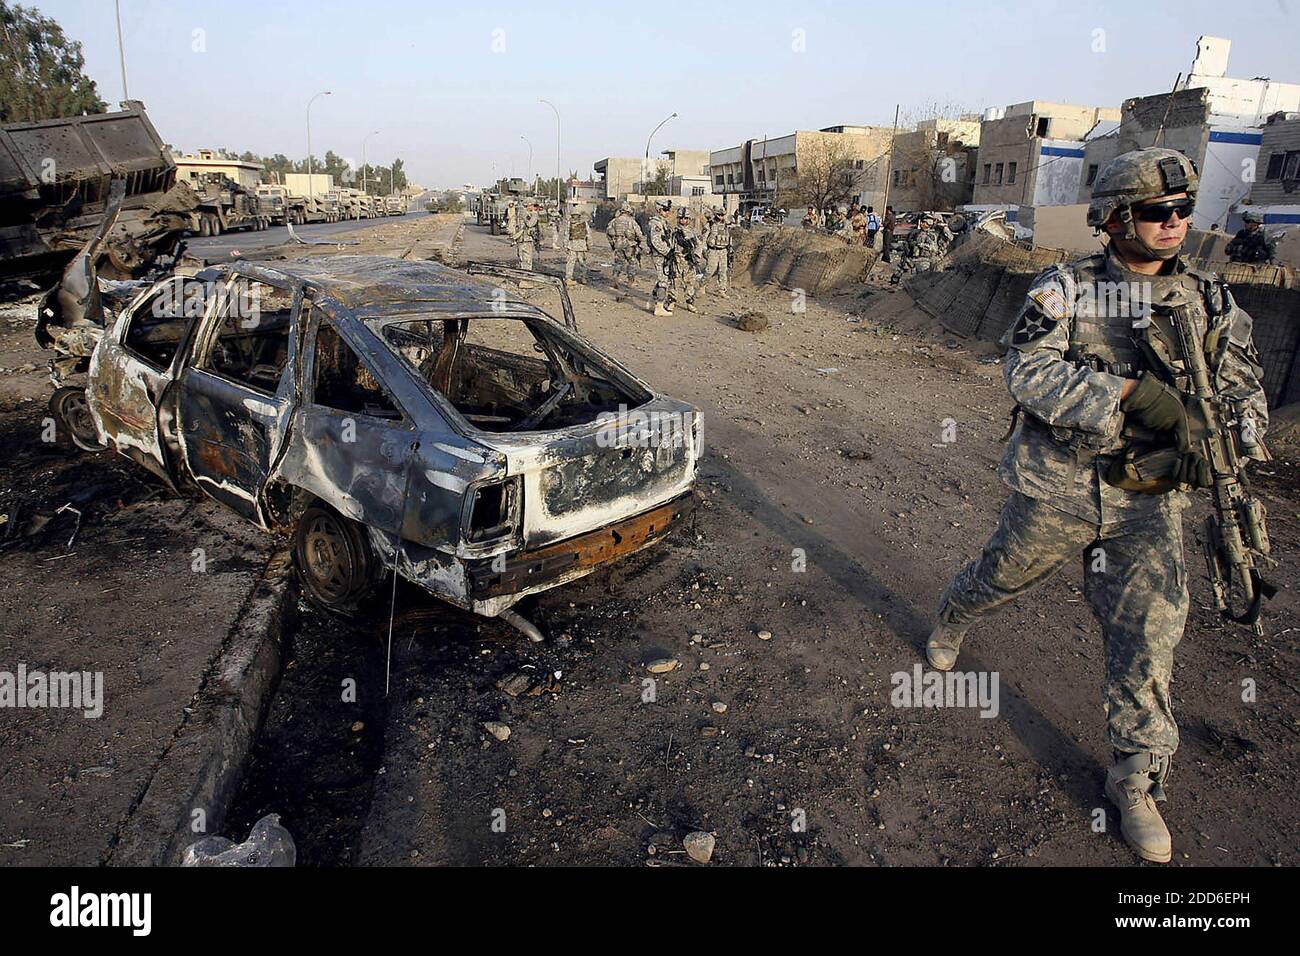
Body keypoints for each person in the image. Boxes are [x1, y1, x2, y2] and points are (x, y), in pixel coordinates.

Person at [925, 147, 1269, 865]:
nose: (1174, 223)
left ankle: (1136, 779)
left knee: (1149, 635)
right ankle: (955, 616)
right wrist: (1125, 396)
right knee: (1000, 576)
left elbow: (1244, 389)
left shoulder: (1208, 298)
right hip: (1058, 486)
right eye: (1156, 212)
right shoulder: (1066, 288)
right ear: (1115, 219)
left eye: (1182, 210)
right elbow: (1028, 371)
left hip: (1147, 502)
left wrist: (1226, 436)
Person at [605, 202, 646, 289]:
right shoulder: (631, 221)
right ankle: (630, 282)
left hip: (618, 244)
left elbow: (608, 233)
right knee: (632, 263)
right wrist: (640, 243)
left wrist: (612, 244)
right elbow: (639, 234)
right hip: (630, 245)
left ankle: (615, 279)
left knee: (618, 263)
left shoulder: (614, 221)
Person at [671, 208, 702, 313]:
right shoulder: (674, 231)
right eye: (681, 218)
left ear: (689, 219)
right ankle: (671, 302)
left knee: (690, 282)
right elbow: (669, 245)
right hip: (677, 259)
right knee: (675, 281)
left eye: (685, 218)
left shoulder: (693, 231)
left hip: (689, 260)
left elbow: (699, 245)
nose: (683, 220)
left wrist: (696, 256)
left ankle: (690, 303)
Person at [648, 198, 676, 317]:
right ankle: (659, 307)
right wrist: (667, 252)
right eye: (665, 210)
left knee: (663, 278)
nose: (667, 212)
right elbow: (656, 241)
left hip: (663, 255)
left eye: (668, 210)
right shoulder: (656, 224)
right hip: (659, 255)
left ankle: (651, 301)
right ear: (659, 210)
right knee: (663, 281)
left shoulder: (662, 222)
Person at [701, 207, 732, 298]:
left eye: (723, 215)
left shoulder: (725, 225)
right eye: (720, 215)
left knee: (723, 271)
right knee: (710, 270)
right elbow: (703, 238)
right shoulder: (710, 224)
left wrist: (730, 248)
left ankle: (722, 290)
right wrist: (703, 250)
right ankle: (702, 284)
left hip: (723, 250)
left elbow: (728, 236)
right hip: (713, 250)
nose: (722, 217)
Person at [564, 203, 590, 285]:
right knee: (582, 263)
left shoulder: (570, 223)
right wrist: (589, 245)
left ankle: (569, 277)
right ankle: (583, 278)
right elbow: (588, 234)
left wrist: (565, 245)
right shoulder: (584, 223)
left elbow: (566, 234)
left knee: (571, 262)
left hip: (572, 245)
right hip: (581, 245)